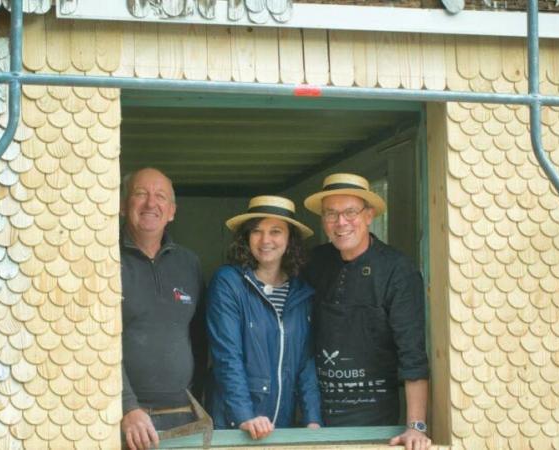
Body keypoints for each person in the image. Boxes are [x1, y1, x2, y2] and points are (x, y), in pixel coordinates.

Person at [303, 173, 431, 450]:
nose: (341, 223)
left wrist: (415, 426)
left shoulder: (397, 270)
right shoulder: (314, 263)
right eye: (331, 214)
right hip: (315, 415)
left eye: (350, 212)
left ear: (369, 215)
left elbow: (412, 352)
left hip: (374, 417)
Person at [206, 196, 322, 440]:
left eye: (276, 231)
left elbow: (305, 363)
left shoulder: (301, 293)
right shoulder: (229, 282)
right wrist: (244, 416)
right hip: (234, 427)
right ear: (246, 238)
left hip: (281, 426)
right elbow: (227, 356)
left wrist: (313, 419)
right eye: (256, 231)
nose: (265, 240)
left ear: (290, 239)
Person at [120, 168, 206, 450]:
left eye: (160, 197)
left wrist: (200, 401)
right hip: (125, 421)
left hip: (183, 418)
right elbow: (91, 343)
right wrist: (127, 406)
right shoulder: (105, 259)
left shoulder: (189, 263)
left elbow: (200, 339)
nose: (150, 204)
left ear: (172, 211)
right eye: (140, 194)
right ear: (123, 205)